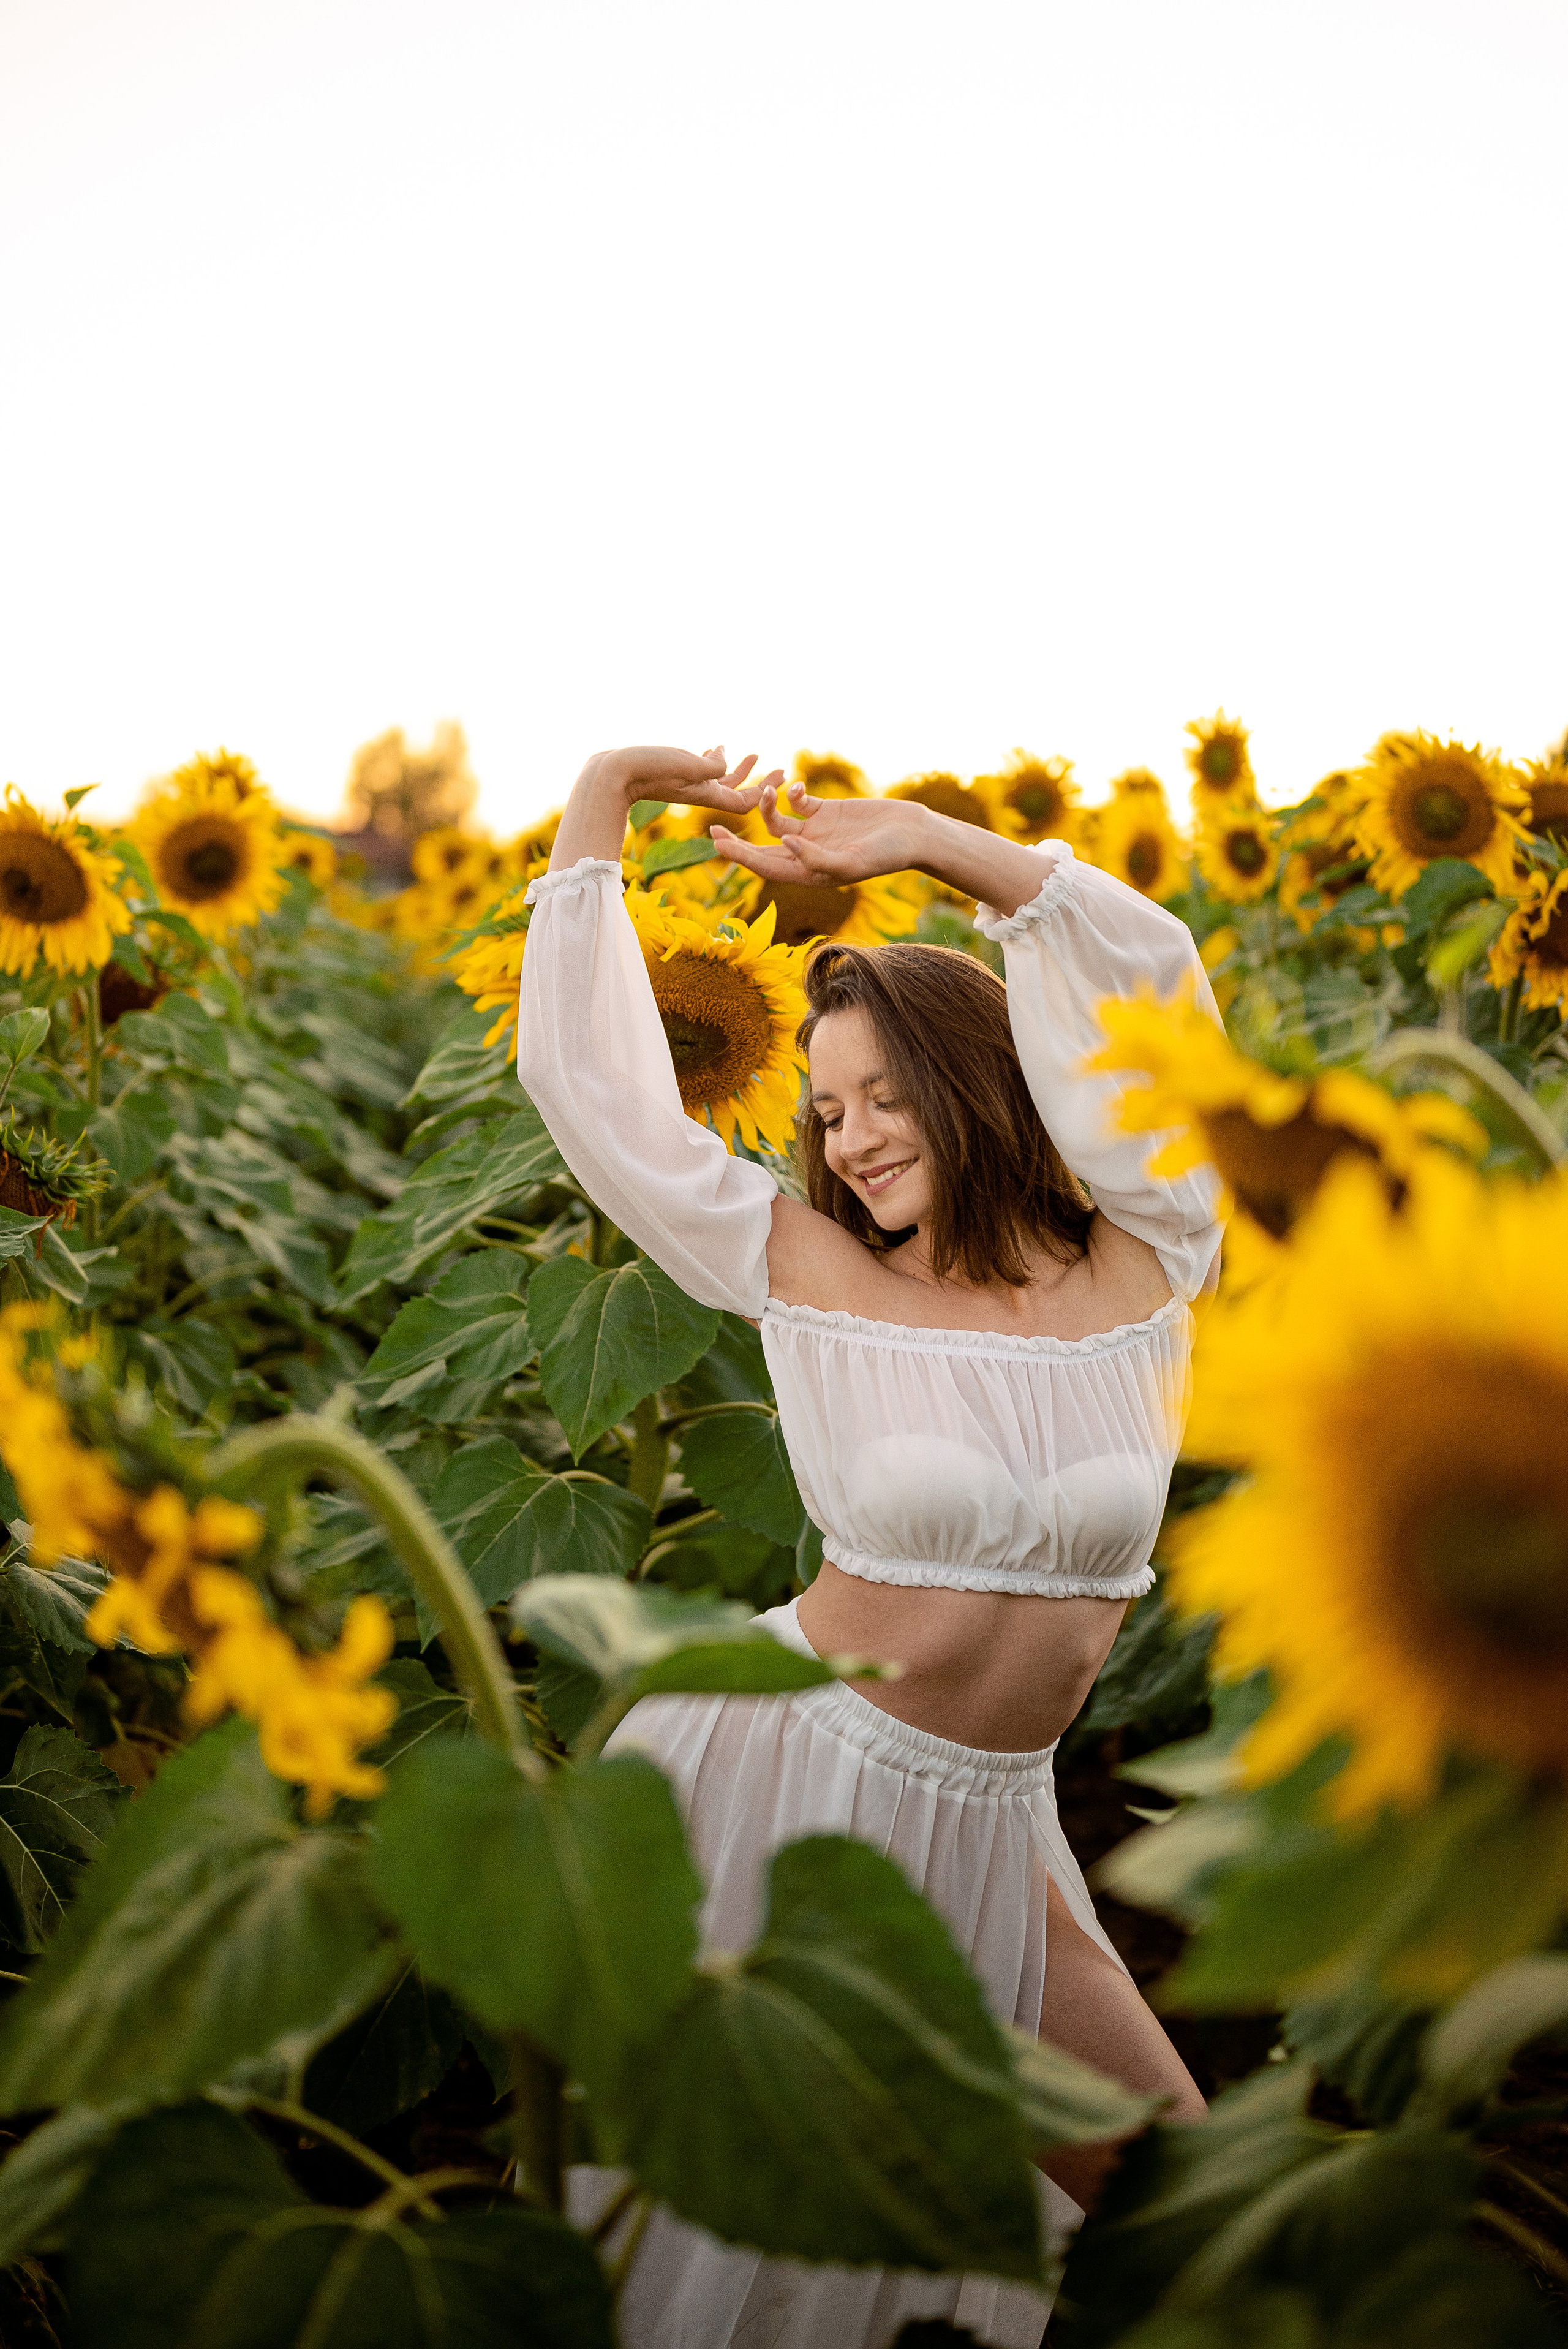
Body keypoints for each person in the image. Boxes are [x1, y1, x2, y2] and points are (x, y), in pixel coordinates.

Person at [517, 746, 1224, 2349]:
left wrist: (924, 844)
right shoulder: (807, 1271)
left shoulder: (1153, 1254)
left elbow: (1156, 990)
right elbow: (597, 1093)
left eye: (882, 1092)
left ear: (984, 1075)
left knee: (1197, 2206)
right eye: (826, 1109)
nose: (850, 1137)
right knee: (773, 2276)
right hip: (787, 1789)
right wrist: (604, 795)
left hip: (993, 1827)